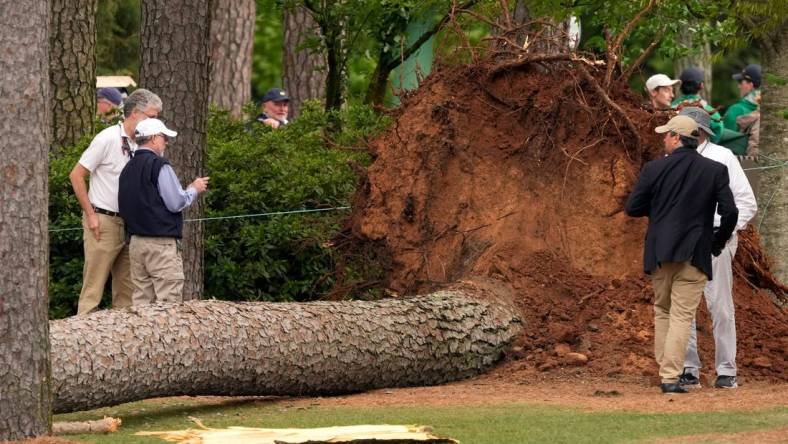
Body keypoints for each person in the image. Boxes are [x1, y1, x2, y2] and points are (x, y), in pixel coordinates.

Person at [625, 115, 738, 394]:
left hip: (659, 252)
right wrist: (717, 241)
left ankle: (668, 371)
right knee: (681, 315)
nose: (663, 138)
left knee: (663, 310)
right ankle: (670, 377)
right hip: (695, 253)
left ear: (677, 137)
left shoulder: (654, 169)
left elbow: (633, 208)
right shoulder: (714, 170)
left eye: (666, 134)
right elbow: (731, 211)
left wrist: (660, 211)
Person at [677, 107, 757, 390]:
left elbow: (746, 203)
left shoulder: (723, 157)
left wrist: (723, 233)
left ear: (697, 131)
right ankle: (689, 367)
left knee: (719, 305)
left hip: (715, 238)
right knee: (684, 305)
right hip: (683, 239)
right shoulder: (672, 158)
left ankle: (726, 369)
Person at [69, 88, 163, 315]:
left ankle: (121, 343)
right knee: (94, 287)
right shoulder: (107, 138)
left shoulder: (142, 144)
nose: (156, 122)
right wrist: (91, 215)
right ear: (135, 114)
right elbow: (76, 175)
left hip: (131, 224)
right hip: (104, 220)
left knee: (128, 292)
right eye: (152, 116)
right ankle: (82, 339)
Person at [118, 119, 209, 304]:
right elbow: (176, 202)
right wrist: (194, 189)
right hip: (161, 245)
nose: (166, 141)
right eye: (164, 137)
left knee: (142, 303)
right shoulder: (159, 165)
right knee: (168, 306)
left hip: (136, 243)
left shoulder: (127, 168)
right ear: (153, 138)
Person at [671, 67, 724, 143]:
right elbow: (718, 128)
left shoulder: (671, 107)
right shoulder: (708, 110)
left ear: (681, 86)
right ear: (701, 85)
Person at [722, 64, 761, 132]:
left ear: (750, 85)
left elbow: (723, 140)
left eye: (740, 82)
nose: (738, 86)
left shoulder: (735, 110)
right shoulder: (772, 110)